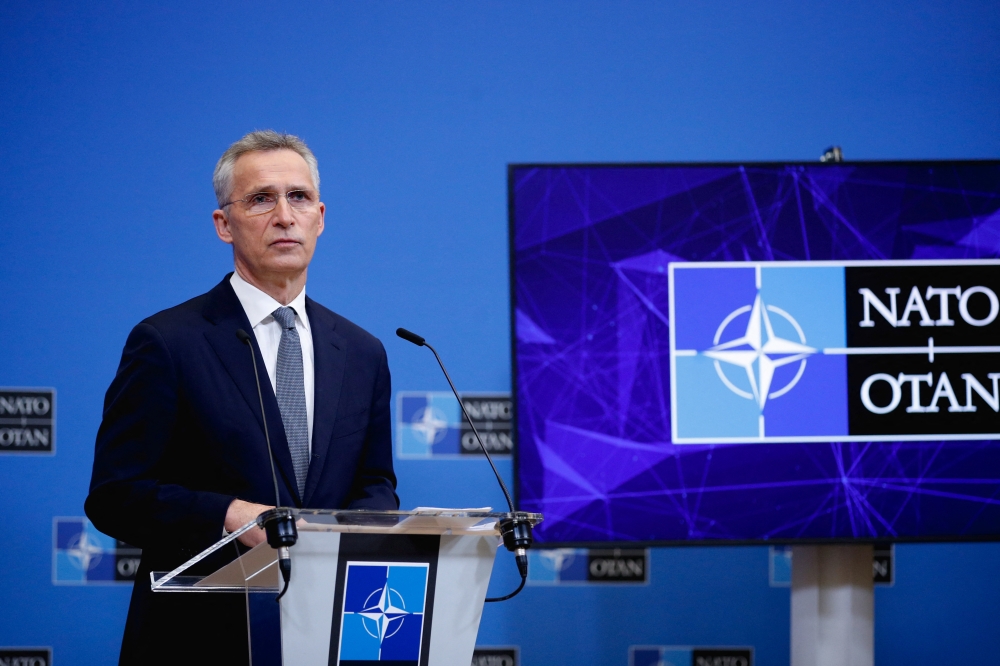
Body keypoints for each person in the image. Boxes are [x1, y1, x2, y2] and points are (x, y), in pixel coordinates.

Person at [85, 130, 398, 664]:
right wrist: (229, 514)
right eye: (260, 199)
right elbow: (116, 495)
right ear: (223, 225)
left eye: (298, 197)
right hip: (199, 638)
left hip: (329, 636)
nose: (283, 215)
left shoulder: (363, 352)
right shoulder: (168, 342)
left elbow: (376, 484)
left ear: (320, 217)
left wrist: (350, 532)